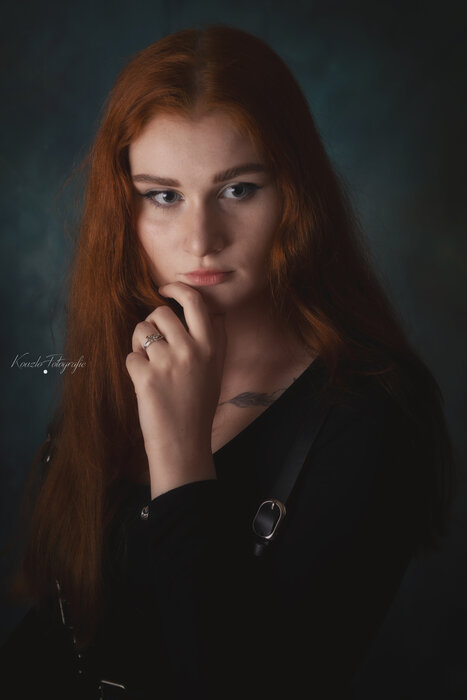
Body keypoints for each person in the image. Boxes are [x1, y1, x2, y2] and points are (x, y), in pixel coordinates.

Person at [1, 24, 456, 700]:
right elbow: (57, 629)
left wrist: (181, 451)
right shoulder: (126, 355)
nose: (200, 239)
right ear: (124, 209)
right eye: (164, 195)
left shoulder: (373, 410)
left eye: (238, 189)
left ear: (294, 193)